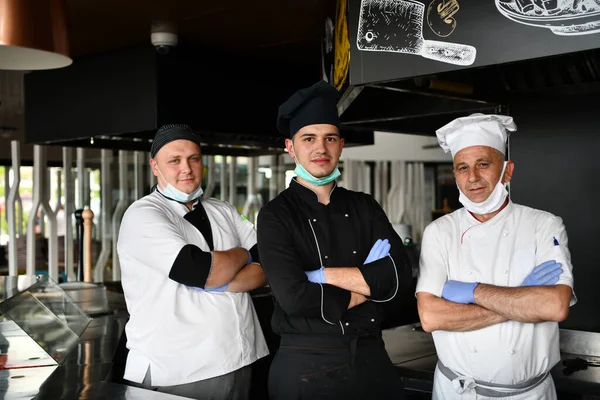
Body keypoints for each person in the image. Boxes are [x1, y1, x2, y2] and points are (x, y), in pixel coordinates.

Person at [257, 80, 412, 400]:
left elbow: (398, 279)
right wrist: (366, 285)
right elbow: (295, 298)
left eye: (329, 138)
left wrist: (323, 277)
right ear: (290, 147)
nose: (320, 148)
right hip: (306, 367)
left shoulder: (364, 206)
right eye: (308, 138)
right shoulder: (276, 216)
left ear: (341, 145)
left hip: (373, 362)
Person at [416, 113, 576, 399]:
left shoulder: (544, 225)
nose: (473, 177)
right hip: (459, 392)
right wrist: (521, 299)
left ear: (507, 170)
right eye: (462, 168)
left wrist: (472, 292)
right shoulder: (439, 232)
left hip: (530, 394)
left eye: (483, 164)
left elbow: (554, 307)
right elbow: (430, 316)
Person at [117, 124, 269, 400]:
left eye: (193, 159)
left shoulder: (221, 209)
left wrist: (227, 273)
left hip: (240, 357)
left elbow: (267, 262)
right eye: (174, 161)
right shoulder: (143, 215)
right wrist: (243, 255)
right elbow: (200, 271)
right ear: (155, 166)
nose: (186, 168)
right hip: (178, 369)